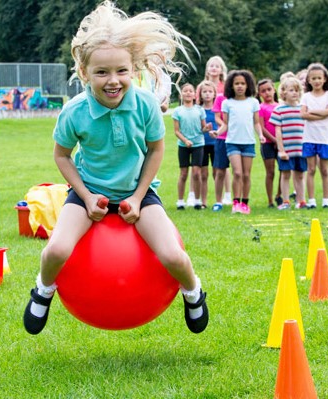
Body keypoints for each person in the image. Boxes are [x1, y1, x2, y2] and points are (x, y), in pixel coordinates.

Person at [23, 1, 208, 335]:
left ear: (134, 69)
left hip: (138, 193)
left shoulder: (146, 105)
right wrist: (86, 195)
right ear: (84, 73)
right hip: (87, 195)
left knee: (173, 256)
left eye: (121, 71)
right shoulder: (75, 111)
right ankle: (43, 290)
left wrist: (138, 198)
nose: (113, 81)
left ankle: (193, 292)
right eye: (102, 72)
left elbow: (155, 150)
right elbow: (62, 156)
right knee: (57, 249)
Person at [210, 70, 265, 214]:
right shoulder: (228, 103)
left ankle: (245, 203)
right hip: (232, 142)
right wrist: (218, 132)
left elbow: (257, 123)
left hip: (248, 142)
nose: (240, 86)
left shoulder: (253, 102)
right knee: (238, 173)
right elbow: (225, 124)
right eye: (237, 84)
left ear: (248, 86)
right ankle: (236, 202)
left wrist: (260, 135)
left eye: (243, 83)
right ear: (231, 86)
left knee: (247, 174)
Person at [190, 55, 232, 207]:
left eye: (217, 66)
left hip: (221, 131)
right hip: (203, 138)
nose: (214, 68)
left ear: (221, 69)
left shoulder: (226, 86)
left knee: (221, 167)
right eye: (211, 65)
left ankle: (227, 194)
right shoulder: (202, 86)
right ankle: (195, 196)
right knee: (199, 169)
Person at [300, 62, 328, 209]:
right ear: (309, 80)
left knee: (325, 170)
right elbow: (303, 114)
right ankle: (311, 200)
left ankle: (326, 200)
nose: (316, 81)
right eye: (313, 78)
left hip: (324, 138)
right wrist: (319, 114)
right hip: (309, 138)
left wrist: (312, 112)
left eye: (319, 78)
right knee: (311, 169)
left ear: (324, 79)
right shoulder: (306, 97)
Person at [269, 77, 307, 209]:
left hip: (301, 149)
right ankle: (285, 201)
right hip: (286, 150)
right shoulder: (279, 110)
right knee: (285, 174)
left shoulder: (303, 109)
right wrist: (281, 150)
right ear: (284, 92)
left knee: (300, 175)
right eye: (291, 90)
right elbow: (278, 132)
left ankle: (301, 201)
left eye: (297, 90)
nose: (295, 93)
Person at [173, 83, 209, 210]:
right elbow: (176, 131)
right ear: (181, 94)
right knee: (183, 173)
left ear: (194, 95)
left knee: (196, 173)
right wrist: (185, 140)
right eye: (185, 91)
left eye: (190, 91)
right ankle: (180, 201)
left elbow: (203, 128)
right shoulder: (178, 111)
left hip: (198, 144)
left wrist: (207, 128)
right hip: (183, 145)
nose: (188, 93)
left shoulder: (200, 110)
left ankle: (197, 200)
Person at [257, 78, 281, 207]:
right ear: (259, 94)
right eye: (263, 91)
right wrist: (274, 139)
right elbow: (261, 126)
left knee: (283, 170)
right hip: (267, 143)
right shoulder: (260, 107)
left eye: (269, 89)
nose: (267, 93)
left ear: (274, 89)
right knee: (270, 172)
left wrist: (280, 141)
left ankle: (279, 195)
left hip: (281, 143)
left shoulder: (280, 106)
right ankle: (270, 200)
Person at [196, 80, 219, 208]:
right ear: (200, 94)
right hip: (202, 145)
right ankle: (203, 202)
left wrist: (216, 132)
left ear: (214, 93)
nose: (207, 94)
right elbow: (197, 128)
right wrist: (204, 130)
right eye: (204, 92)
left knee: (217, 173)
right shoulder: (198, 110)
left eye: (210, 91)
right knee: (203, 174)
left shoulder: (218, 110)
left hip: (216, 144)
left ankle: (218, 201)